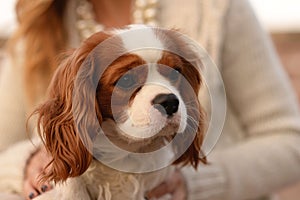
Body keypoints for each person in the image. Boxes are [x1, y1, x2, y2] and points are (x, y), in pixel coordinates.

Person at [0, 0, 300, 199]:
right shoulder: (36, 28)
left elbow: (291, 142)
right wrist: (27, 164)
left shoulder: (216, 7)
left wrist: (190, 183)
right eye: (126, 80)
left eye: (173, 76)